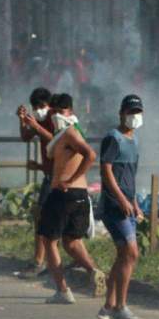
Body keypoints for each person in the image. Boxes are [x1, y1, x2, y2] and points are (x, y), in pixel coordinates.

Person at [37, 93, 104, 304]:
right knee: (71, 241)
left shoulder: (70, 133)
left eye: (61, 111)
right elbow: (54, 146)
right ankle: (94, 272)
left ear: (71, 112)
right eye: (54, 111)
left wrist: (70, 179)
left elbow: (91, 155)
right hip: (79, 195)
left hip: (63, 194)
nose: (57, 115)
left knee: (49, 241)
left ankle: (63, 291)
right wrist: (32, 123)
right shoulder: (63, 136)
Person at [98, 95, 145, 319]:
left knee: (123, 255)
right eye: (130, 112)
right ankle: (121, 307)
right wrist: (122, 199)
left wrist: (134, 202)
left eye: (137, 112)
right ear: (121, 113)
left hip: (127, 205)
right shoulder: (113, 138)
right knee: (131, 252)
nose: (134, 117)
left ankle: (109, 305)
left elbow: (130, 177)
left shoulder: (134, 142)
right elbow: (106, 171)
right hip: (113, 205)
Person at [18, 87, 55, 274]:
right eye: (36, 107)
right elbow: (25, 136)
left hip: (59, 177)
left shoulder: (54, 119)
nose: (39, 110)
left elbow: (56, 140)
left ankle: (41, 262)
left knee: (45, 218)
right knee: (42, 217)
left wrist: (37, 126)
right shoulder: (39, 120)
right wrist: (22, 120)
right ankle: (40, 261)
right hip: (49, 176)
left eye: (42, 106)